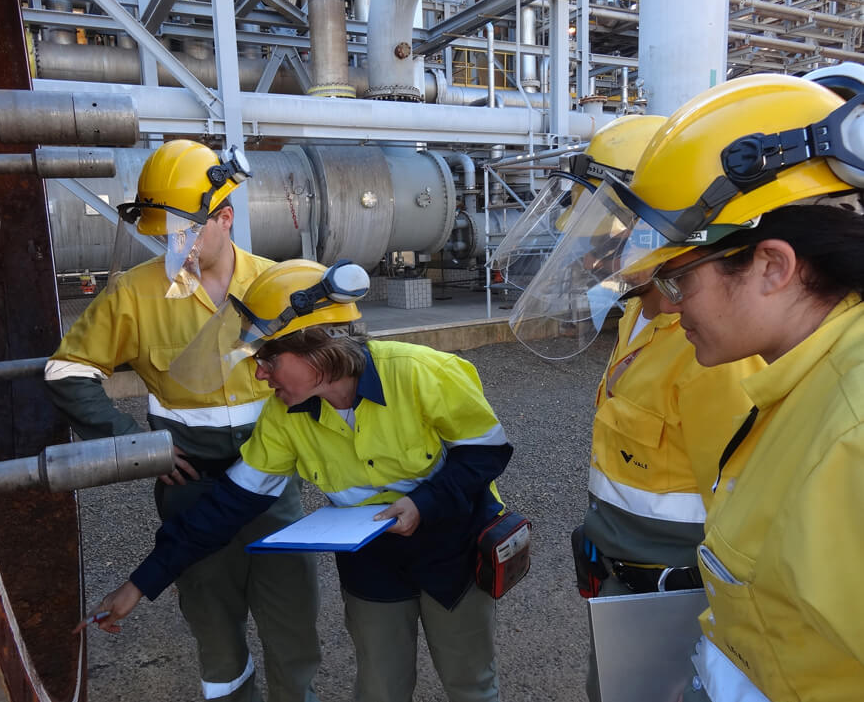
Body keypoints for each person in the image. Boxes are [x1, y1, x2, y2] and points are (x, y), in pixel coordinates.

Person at [77, 258, 514, 702]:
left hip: (453, 548)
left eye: (267, 358)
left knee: (470, 685)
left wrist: (424, 503)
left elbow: (486, 453)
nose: (259, 374)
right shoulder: (284, 417)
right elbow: (227, 505)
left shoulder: (422, 371)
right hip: (372, 560)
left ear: (316, 349)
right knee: (380, 689)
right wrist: (140, 584)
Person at [557, 73, 864, 701]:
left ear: (772, 267)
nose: (665, 304)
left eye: (676, 279)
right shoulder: (804, 381)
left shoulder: (851, 430)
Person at [45, 140, 321, 702]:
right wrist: (135, 446)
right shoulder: (137, 293)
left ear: (225, 217)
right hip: (188, 486)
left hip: (272, 483)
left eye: (187, 229)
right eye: (164, 231)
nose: (176, 243)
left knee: (291, 625)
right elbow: (65, 371)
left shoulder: (277, 287)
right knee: (215, 633)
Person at [503, 116, 765, 702]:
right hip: (621, 567)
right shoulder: (636, 312)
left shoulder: (712, 349)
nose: (594, 260)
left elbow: (746, 510)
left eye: (605, 240)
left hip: (678, 591)